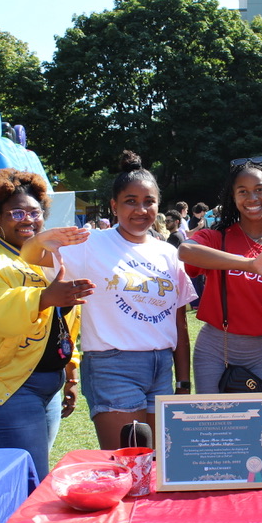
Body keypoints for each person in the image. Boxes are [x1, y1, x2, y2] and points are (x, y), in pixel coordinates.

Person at [0, 169, 93, 478]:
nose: (27, 219)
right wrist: (44, 297)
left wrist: (70, 372)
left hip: (45, 383)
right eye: (16, 212)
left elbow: (64, 323)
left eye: (34, 212)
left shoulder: (45, 261)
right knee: (25, 482)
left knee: (33, 478)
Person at [50, 151, 196, 450]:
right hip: (113, 366)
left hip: (161, 368)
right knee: (128, 460)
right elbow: (38, 263)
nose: (141, 210)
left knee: (160, 463)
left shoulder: (168, 253)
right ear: (114, 206)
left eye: (149, 201)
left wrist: (183, 382)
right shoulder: (89, 245)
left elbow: (179, 322)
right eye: (130, 201)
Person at [179, 156, 262, 441]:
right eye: (242, 191)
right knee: (216, 440)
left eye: (259, 189)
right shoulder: (217, 238)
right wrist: (249, 264)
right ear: (232, 198)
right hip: (215, 349)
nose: (252, 197)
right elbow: (186, 251)